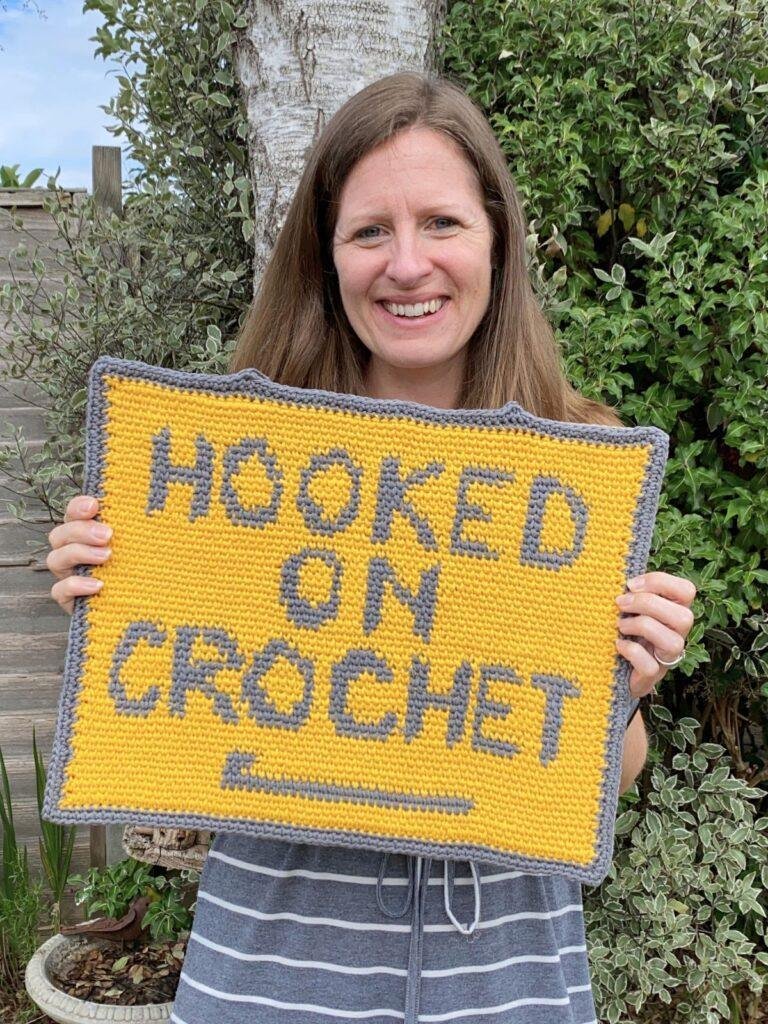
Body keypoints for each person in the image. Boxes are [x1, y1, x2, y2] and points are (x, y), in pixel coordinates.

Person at [46, 72, 697, 1024]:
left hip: (506, 981)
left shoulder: (575, 475)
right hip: (271, 975)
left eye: (441, 223)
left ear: (496, 242)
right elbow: (176, 739)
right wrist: (115, 592)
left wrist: (625, 684)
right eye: (368, 231)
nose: (407, 264)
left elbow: (605, 774)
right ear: (327, 256)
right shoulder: (231, 464)